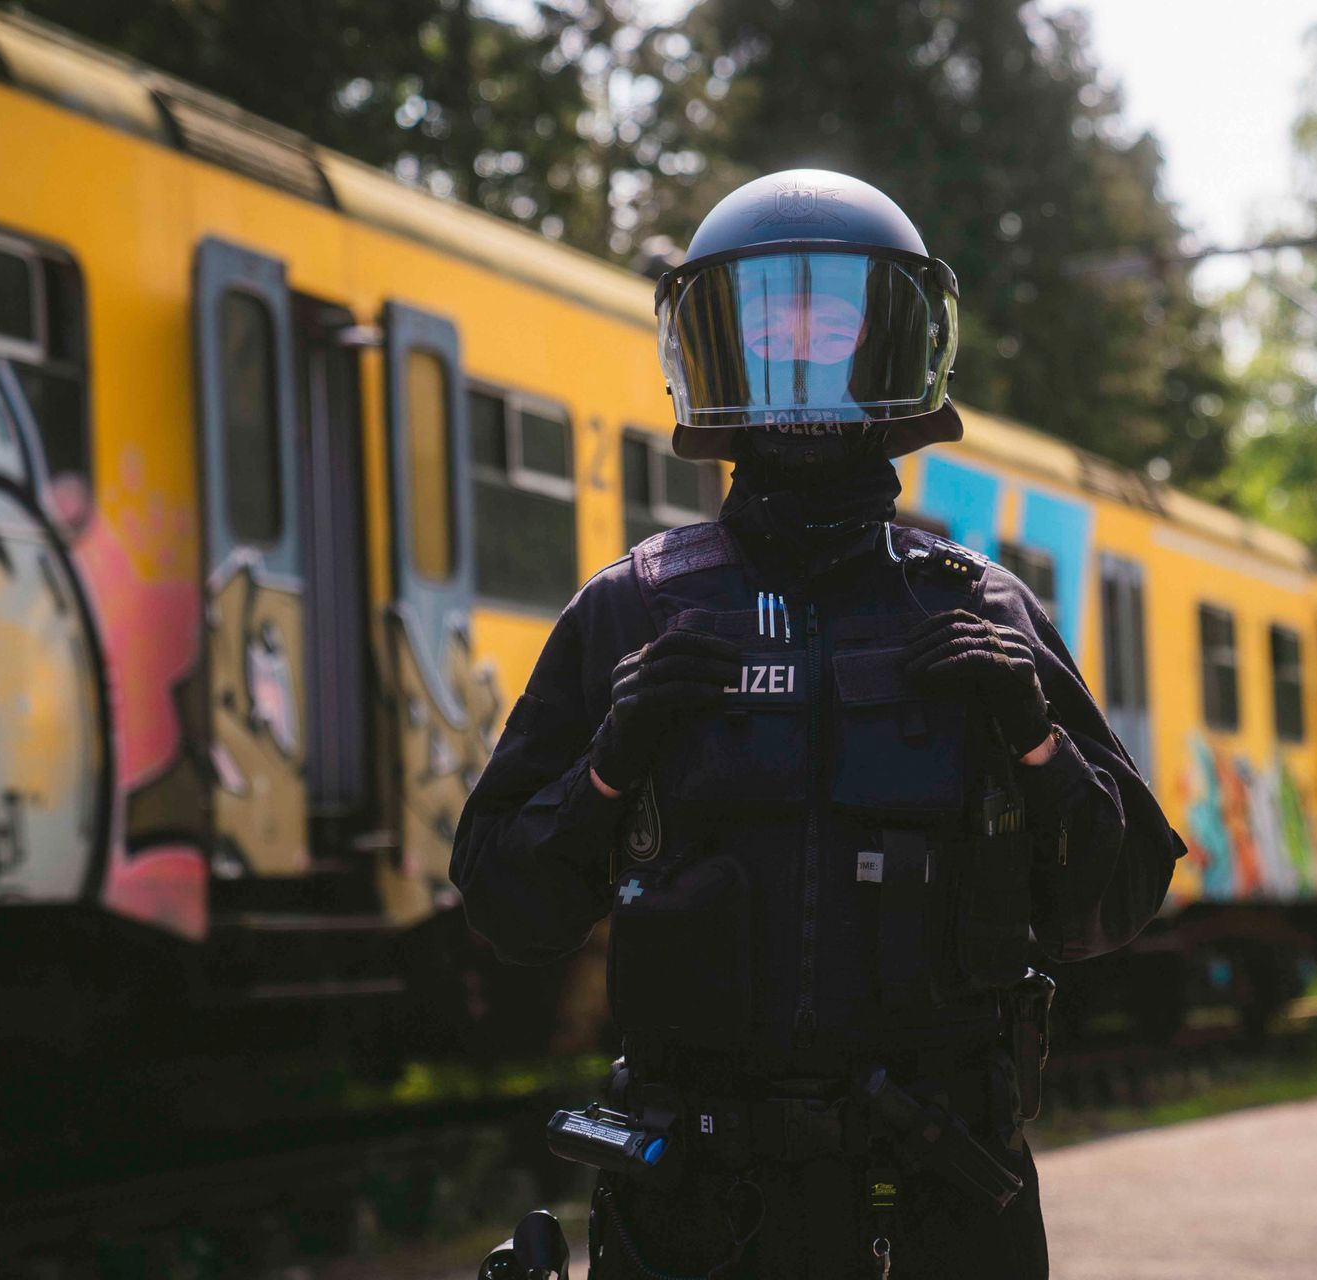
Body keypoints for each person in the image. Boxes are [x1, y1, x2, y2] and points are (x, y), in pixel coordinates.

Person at [451, 168, 1183, 1279]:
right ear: (714, 348)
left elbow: (1109, 908)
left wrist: (1038, 742)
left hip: (938, 1202)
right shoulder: (634, 609)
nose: (800, 364)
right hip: (695, 1210)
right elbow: (510, 906)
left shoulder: (981, 609)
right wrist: (609, 765)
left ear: (894, 346)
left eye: (831, 324)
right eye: (769, 328)